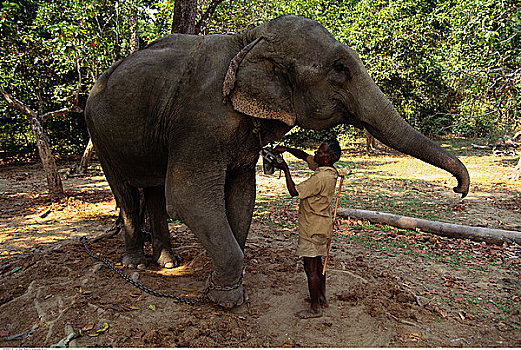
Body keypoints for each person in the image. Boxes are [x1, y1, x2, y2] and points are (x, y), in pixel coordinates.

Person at [272, 139, 342, 319]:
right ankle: (321, 297)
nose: (315, 154)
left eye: (319, 152)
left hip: (311, 227)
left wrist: (285, 169)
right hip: (322, 224)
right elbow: (305, 157)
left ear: (327, 158)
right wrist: (287, 149)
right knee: (319, 265)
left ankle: (314, 308)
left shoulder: (319, 178)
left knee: (310, 268)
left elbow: (294, 191)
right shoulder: (330, 171)